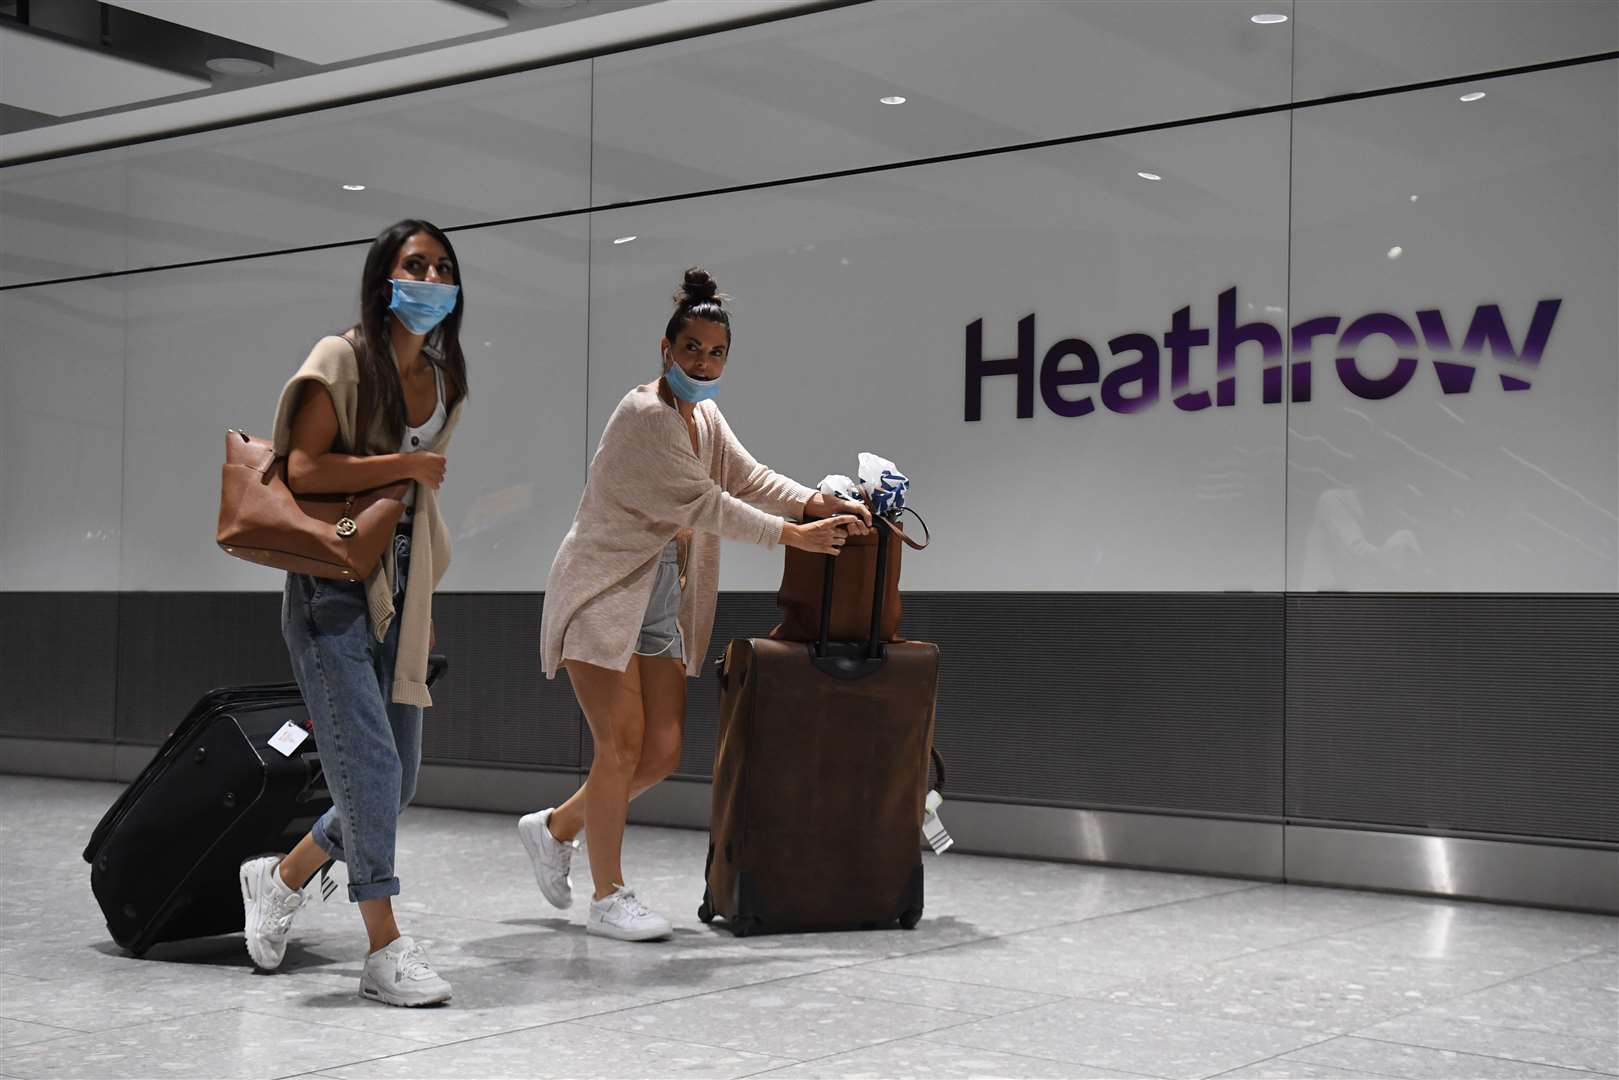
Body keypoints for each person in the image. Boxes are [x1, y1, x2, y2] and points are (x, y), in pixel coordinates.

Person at [522, 267, 871, 940]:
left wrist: (815, 500)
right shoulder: (646, 415)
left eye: (715, 352)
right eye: (692, 349)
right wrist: (792, 533)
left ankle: (555, 829)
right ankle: (607, 895)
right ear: (665, 347)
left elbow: (744, 475)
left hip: (659, 596)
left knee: (660, 752)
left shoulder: (702, 416)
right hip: (602, 592)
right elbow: (706, 502)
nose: (703, 362)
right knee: (619, 746)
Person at [238, 219, 468, 1006]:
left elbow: (415, 511)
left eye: (442, 268)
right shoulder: (339, 358)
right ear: (383, 279)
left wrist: (423, 600)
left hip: (399, 588)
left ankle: (285, 874)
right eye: (415, 266)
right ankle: (385, 951)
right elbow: (301, 469)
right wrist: (403, 463)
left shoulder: (444, 383)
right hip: (329, 586)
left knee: (395, 779)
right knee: (368, 768)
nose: (430, 280)